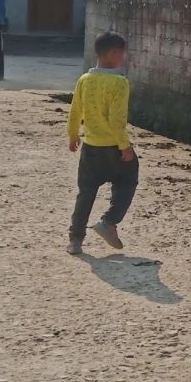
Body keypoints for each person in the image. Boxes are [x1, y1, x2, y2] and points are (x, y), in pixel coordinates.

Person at [66, 31, 139, 255]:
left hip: (90, 147)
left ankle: (75, 240)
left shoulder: (85, 80)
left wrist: (72, 135)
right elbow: (117, 120)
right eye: (123, 53)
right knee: (128, 181)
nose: (124, 57)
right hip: (114, 148)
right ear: (114, 54)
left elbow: (75, 110)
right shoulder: (119, 83)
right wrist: (125, 145)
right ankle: (109, 221)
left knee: (85, 193)